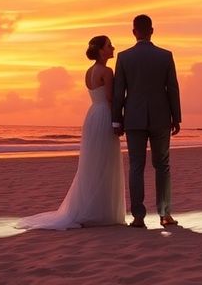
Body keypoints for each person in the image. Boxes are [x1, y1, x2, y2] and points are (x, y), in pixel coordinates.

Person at [17, 36, 126, 230]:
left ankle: (90, 207)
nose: (113, 48)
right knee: (105, 162)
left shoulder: (88, 72)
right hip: (104, 115)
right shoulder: (107, 71)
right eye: (109, 45)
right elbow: (110, 98)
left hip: (92, 115)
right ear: (101, 50)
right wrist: (119, 118)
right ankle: (101, 211)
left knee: (92, 163)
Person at [112, 15, 181, 228]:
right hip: (161, 117)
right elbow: (173, 88)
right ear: (152, 30)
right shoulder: (165, 56)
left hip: (133, 117)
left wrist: (116, 120)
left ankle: (138, 217)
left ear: (134, 32)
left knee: (136, 166)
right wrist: (176, 117)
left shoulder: (124, 57)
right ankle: (164, 214)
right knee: (162, 166)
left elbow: (118, 92)